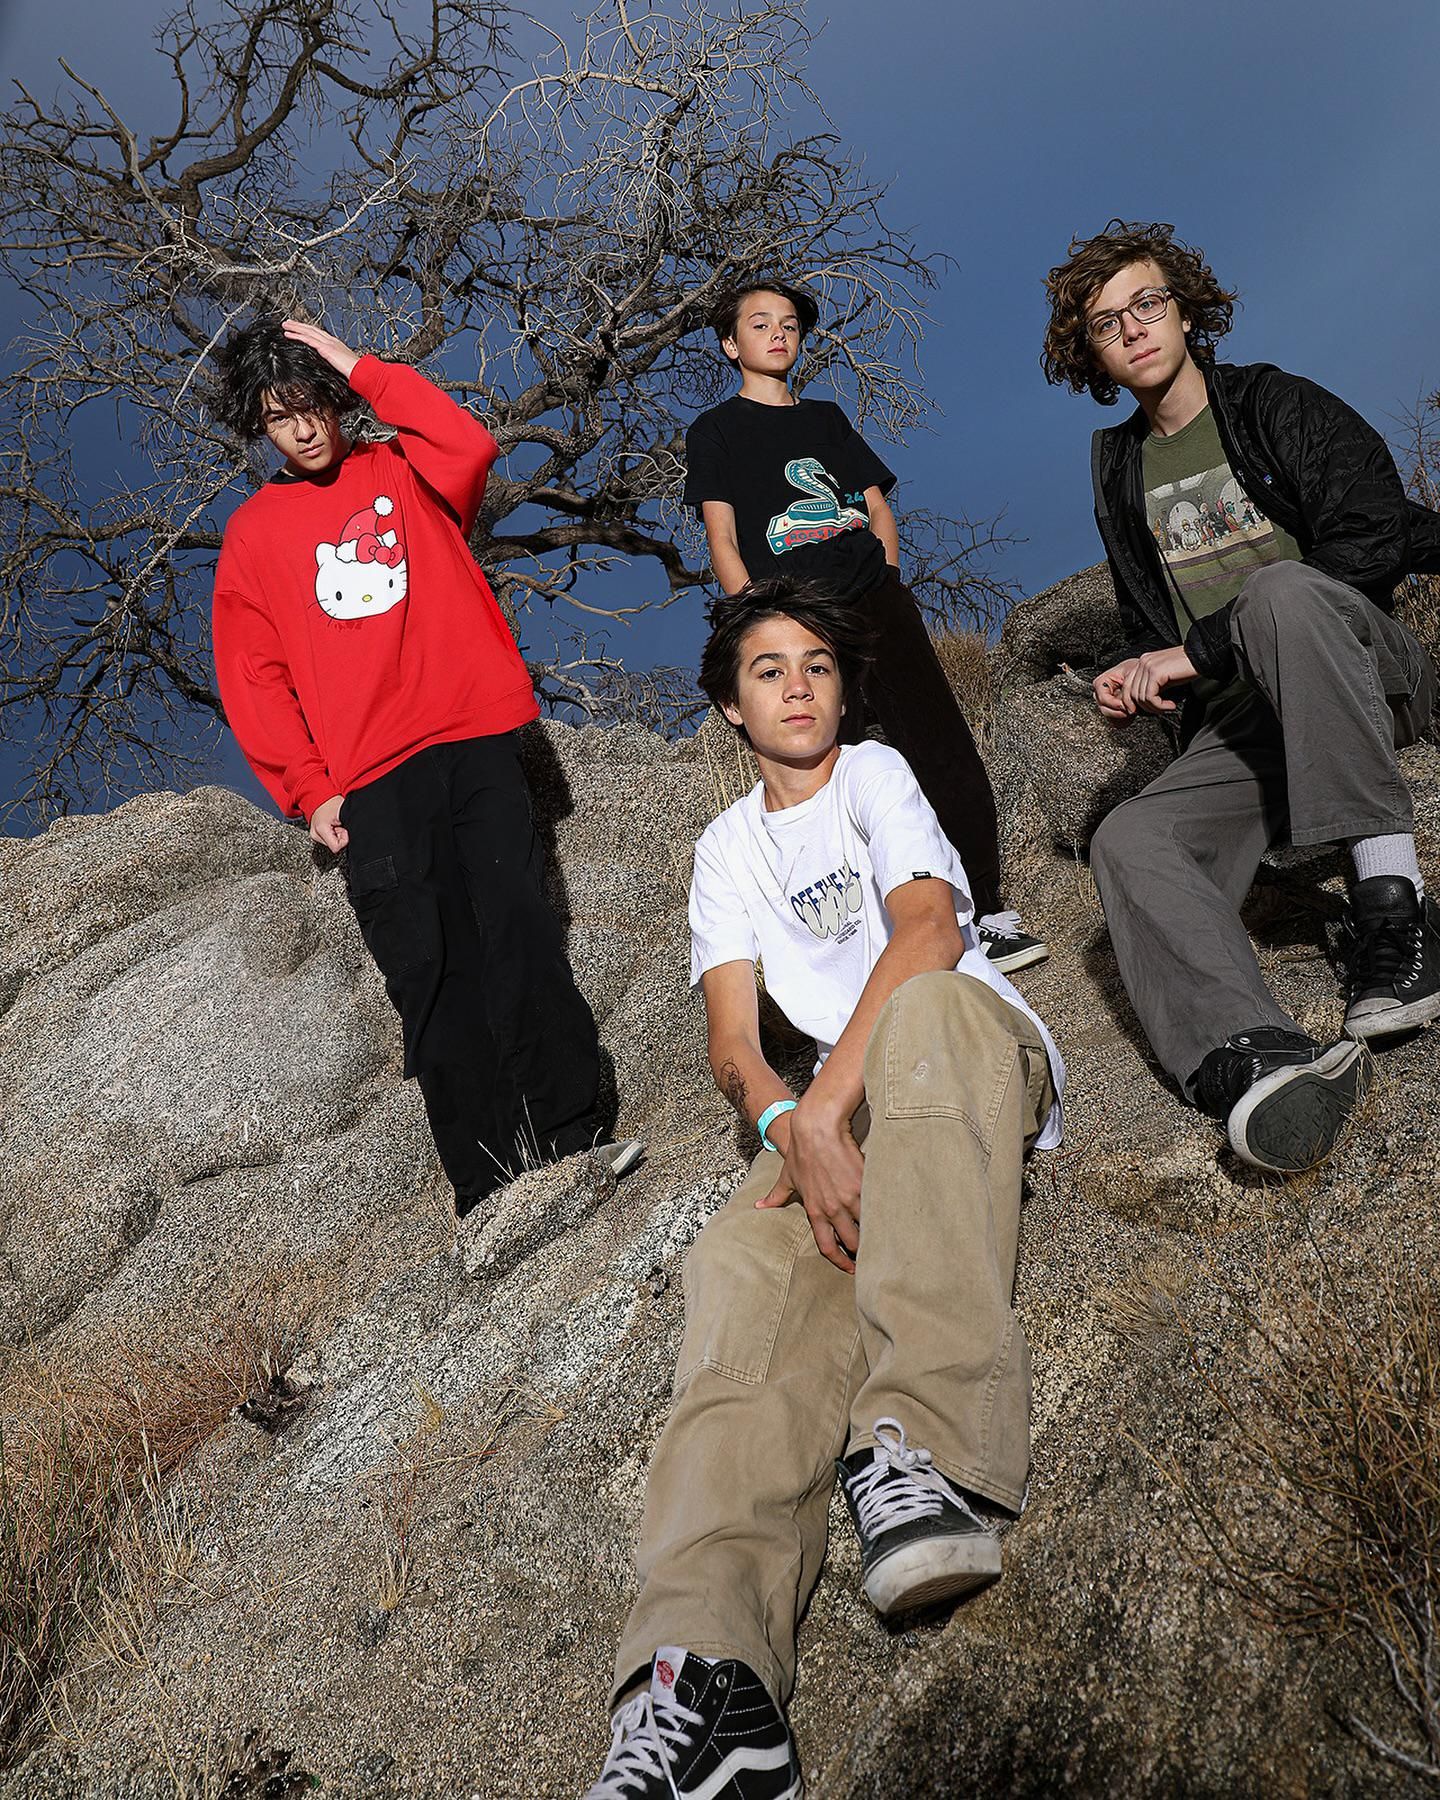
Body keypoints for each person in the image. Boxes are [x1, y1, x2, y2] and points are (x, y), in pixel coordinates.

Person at [582, 577, 1063, 1798]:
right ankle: (709, 1679)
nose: (797, 686)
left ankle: (925, 1450)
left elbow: (928, 935)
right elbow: (733, 1048)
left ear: (844, 691)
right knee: (737, 1257)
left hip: (954, 1052)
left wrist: (823, 1111)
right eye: (767, 670)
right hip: (834, 1116)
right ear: (731, 708)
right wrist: (789, 1128)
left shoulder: (875, 776)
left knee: (929, 1013)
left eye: (817, 665)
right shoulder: (723, 850)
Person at [210, 316, 640, 1214]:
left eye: (313, 403)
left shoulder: (402, 470)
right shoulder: (253, 535)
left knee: (521, 929)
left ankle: (575, 1140)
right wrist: (309, 788)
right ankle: (488, 1189)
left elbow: (469, 443)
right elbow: (254, 675)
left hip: (471, 735)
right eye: (279, 416)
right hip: (370, 776)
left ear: (334, 400)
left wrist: (357, 364)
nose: (303, 429)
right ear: (259, 427)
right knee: (430, 970)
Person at [1042, 220, 1440, 1174]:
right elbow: (1151, 612)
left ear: (1186, 311)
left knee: (1280, 592)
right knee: (1127, 838)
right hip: (1248, 724)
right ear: (1091, 354)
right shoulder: (1120, 468)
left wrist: (1193, 649)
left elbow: (1372, 534)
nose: (1134, 329)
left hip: (1362, 676)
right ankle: (1253, 1056)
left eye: (1148, 303)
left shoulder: (1270, 403)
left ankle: (1395, 911)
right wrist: (1137, 670)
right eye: (1106, 323)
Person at [683, 277, 1047, 977]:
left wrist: (889, 578)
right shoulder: (716, 431)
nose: (779, 333)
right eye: (760, 323)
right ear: (730, 344)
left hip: (875, 601)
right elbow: (722, 538)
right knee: (831, 767)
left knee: (937, 742)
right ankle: (870, 940)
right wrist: (760, 623)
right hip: (797, 615)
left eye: (789, 324)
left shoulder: (826, 419)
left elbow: (877, 508)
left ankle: (987, 914)